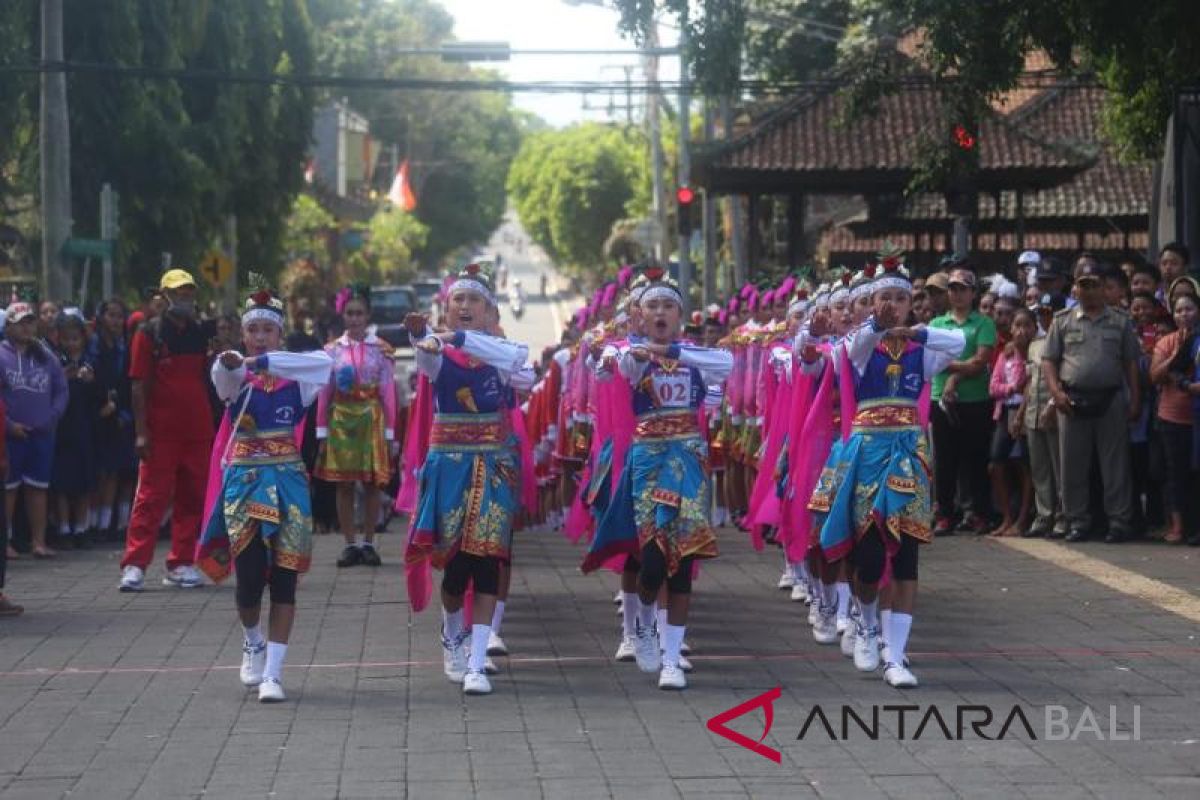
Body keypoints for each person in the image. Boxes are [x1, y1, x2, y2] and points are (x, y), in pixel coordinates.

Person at [807, 257, 965, 688]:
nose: (893, 305)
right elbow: (852, 346)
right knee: (870, 554)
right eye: (884, 298)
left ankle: (895, 656)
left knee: (908, 554)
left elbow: (960, 344)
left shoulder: (921, 351)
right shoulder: (857, 349)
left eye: (901, 298)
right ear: (868, 305)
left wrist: (916, 331)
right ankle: (867, 620)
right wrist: (876, 327)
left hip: (909, 455)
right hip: (867, 455)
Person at [582, 268, 732, 691]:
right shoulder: (632, 357)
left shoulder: (697, 357)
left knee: (682, 561)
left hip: (688, 462)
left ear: (681, 316)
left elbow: (726, 365)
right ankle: (644, 622)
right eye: (653, 306)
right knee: (651, 559)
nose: (661, 312)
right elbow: (613, 366)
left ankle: (671, 658)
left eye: (669, 306)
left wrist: (675, 354)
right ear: (639, 316)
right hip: (648, 463)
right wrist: (632, 352)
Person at [198, 283, 333, 702]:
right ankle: (252, 638)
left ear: (280, 335)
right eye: (252, 329)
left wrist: (264, 360)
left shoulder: (299, 375)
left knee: (286, 577)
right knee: (251, 578)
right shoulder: (232, 372)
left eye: (267, 330)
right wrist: (242, 363)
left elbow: (323, 363)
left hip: (289, 480)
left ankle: (274, 672)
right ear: (243, 334)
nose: (259, 336)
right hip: (245, 480)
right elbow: (225, 374)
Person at [404, 264, 533, 696]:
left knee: (489, 560)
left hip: (494, 466)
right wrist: (427, 336)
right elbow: (425, 356)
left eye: (473, 300)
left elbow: (522, 370)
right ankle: (452, 634)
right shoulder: (437, 353)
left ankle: (476, 662)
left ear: (489, 311)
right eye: (457, 300)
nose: (464, 306)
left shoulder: (502, 352)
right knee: (456, 567)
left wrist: (463, 338)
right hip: (451, 467)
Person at [119, 269, 216, 592]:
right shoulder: (148, 333)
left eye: (189, 292)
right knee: (151, 497)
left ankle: (181, 563)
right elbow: (138, 385)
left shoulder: (201, 333)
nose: (184, 298)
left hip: (198, 430)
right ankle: (135, 564)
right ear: (163, 296)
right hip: (161, 431)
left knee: (192, 497)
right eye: (178, 292)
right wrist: (141, 431)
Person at [1042, 259, 1141, 543]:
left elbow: (1131, 363)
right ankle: (1077, 522)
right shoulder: (1062, 321)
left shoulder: (1120, 321)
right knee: (1072, 465)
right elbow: (1049, 361)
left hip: (1110, 399)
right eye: (1083, 285)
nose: (1088, 290)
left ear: (1103, 288)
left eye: (1094, 285)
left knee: (1115, 466)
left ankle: (1119, 522)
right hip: (1071, 400)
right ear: (1075, 289)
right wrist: (1056, 393)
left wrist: (1134, 399)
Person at [315, 285, 397, 567]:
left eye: (359, 313)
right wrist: (322, 431)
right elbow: (324, 392)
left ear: (368, 315)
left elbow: (388, 392)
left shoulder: (381, 350)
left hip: (371, 418)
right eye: (350, 313)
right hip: (341, 420)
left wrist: (390, 433)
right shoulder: (331, 351)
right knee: (344, 484)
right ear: (343, 315)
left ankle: (369, 542)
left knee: (373, 483)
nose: (354, 318)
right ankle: (349, 543)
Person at [929, 268, 997, 534]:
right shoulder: (936, 325)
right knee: (944, 460)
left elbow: (980, 362)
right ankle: (945, 513)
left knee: (976, 459)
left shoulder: (983, 324)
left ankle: (979, 513)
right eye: (953, 288)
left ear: (973, 293)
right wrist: (956, 367)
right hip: (940, 400)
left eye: (962, 288)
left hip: (975, 399)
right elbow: (931, 359)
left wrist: (949, 369)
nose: (957, 293)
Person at [1, 302, 68, 559]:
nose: (27, 327)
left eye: (30, 321)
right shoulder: (1, 354)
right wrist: (8, 425)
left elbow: (61, 389)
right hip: (10, 435)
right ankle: (4, 543)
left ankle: (38, 542)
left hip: (42, 434)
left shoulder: (45, 355)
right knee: (8, 490)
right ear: (9, 326)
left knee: (38, 489)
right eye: (21, 322)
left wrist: (52, 417)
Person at [1150, 293, 1200, 545]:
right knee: (1175, 473)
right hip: (1172, 417)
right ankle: (1178, 527)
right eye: (1179, 310)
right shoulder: (1166, 342)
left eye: (1189, 309)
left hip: (1196, 417)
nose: (1184, 315)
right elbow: (1155, 376)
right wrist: (1176, 355)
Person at [1019, 293, 1068, 538]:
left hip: (1055, 411)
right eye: (1041, 314)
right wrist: (1020, 414)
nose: (1044, 318)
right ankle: (1043, 515)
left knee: (1060, 468)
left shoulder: (1066, 341)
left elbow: (1065, 379)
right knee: (1039, 468)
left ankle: (1061, 516)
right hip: (1033, 412)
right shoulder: (1035, 344)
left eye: (1048, 313)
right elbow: (1030, 380)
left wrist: (1052, 404)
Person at [51, 312, 101, 548]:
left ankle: (82, 527)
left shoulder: (91, 362)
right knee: (62, 482)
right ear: (60, 339)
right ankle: (63, 528)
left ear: (83, 338)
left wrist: (91, 382)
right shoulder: (55, 361)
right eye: (67, 338)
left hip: (85, 427)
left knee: (84, 481)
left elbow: (100, 396)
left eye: (76, 338)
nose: (72, 343)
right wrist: (63, 378)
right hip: (62, 428)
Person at [89, 298, 136, 542]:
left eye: (119, 316)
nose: (116, 321)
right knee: (100, 474)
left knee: (121, 473)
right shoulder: (93, 347)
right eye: (111, 315)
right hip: (98, 416)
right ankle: (95, 525)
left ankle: (116, 525)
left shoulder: (125, 348)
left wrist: (122, 412)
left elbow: (130, 384)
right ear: (101, 318)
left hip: (121, 416)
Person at [987, 307, 1035, 536]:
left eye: (1027, 325)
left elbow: (1031, 384)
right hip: (1006, 410)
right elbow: (993, 387)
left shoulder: (1036, 353)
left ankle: (1023, 518)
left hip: (1027, 411)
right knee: (996, 462)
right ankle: (1006, 516)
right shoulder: (1005, 354)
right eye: (1017, 325)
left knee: (1023, 463)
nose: (1021, 331)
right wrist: (1010, 388)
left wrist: (1024, 360)